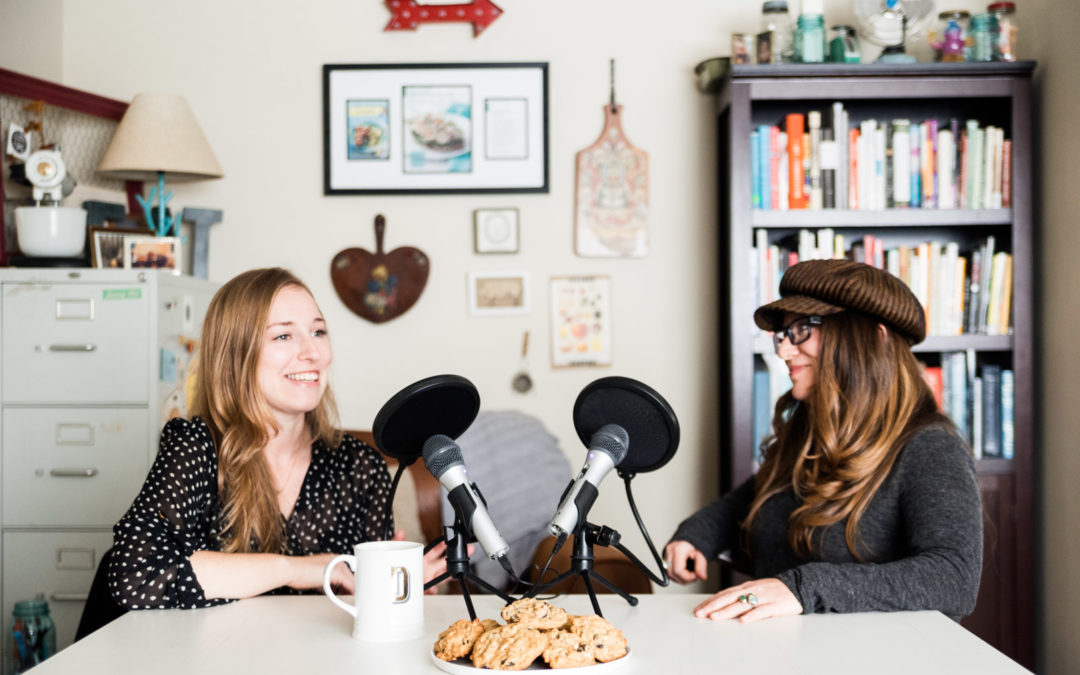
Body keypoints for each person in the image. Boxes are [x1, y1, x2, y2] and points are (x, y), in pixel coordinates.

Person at [109, 267, 449, 609]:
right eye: (283, 336)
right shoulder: (196, 446)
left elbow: (361, 601)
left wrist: (394, 588)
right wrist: (299, 570)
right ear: (235, 354)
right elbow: (137, 576)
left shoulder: (359, 467)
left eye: (318, 331)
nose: (312, 352)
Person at [665, 259, 982, 622]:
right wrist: (697, 533)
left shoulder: (931, 447)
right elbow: (753, 499)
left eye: (802, 330)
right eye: (783, 335)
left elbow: (953, 578)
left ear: (872, 339)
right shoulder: (810, 431)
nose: (783, 352)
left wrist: (803, 587)